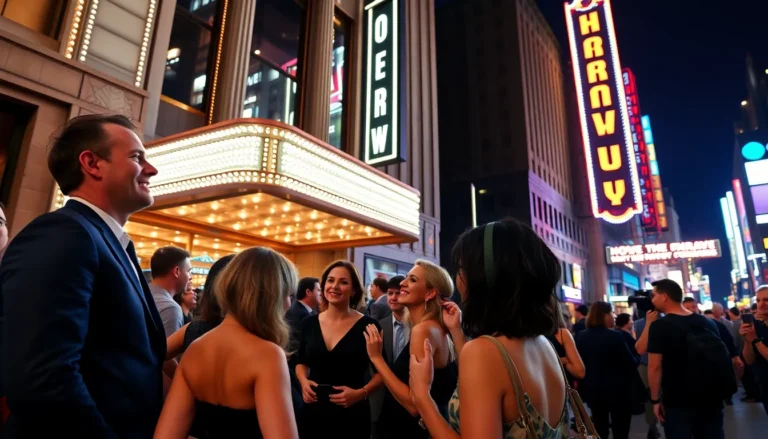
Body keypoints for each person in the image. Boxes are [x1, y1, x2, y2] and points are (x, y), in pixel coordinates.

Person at [0, 114, 164, 437]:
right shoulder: (64, 233)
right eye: (136, 157)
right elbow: (42, 377)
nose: (152, 169)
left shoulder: (107, 242)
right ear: (92, 164)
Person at [410, 219, 569, 438]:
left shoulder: (483, 352)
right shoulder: (543, 344)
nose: (459, 279)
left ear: (481, 278)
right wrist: (457, 331)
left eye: (462, 269)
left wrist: (423, 398)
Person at [154, 247, 299, 439]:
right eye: (288, 295)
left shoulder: (196, 349)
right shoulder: (268, 355)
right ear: (272, 297)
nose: (289, 303)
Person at [364, 260, 458, 438]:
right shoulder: (437, 328)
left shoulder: (423, 330)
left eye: (412, 280)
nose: (402, 283)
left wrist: (377, 358)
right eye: (406, 278)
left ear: (430, 293)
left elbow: (415, 405)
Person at [295, 261, 383, 439]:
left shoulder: (369, 325)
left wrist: (361, 393)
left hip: (352, 413)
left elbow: (382, 372)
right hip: (313, 411)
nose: (334, 286)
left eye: (343, 282)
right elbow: (301, 361)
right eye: (330, 280)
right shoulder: (308, 323)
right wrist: (303, 382)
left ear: (354, 290)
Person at [637, 280, 735, 439]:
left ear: (664, 297)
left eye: (653, 295)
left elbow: (655, 367)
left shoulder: (659, 326)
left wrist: (655, 400)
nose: (651, 300)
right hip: (711, 397)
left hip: (678, 400)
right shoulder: (708, 322)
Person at [575, 302, 643, 439]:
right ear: (605, 315)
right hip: (618, 391)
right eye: (612, 313)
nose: (614, 316)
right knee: (621, 429)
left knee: (600, 428)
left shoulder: (581, 336)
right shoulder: (615, 336)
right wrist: (638, 356)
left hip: (594, 390)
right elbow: (630, 363)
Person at [368, 284, 410, 438]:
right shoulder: (378, 326)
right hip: (381, 401)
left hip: (409, 400)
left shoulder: (419, 327)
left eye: (398, 293)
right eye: (390, 293)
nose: (393, 298)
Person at [149, 246, 192, 338]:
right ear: (176, 271)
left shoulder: (140, 293)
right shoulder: (170, 308)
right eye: (189, 271)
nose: (190, 277)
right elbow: (168, 347)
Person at [740, 285, 768, 414]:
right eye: (758, 300)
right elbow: (749, 360)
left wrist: (755, 340)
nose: (761, 304)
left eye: (766, 300)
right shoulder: (756, 325)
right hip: (764, 384)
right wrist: (748, 340)